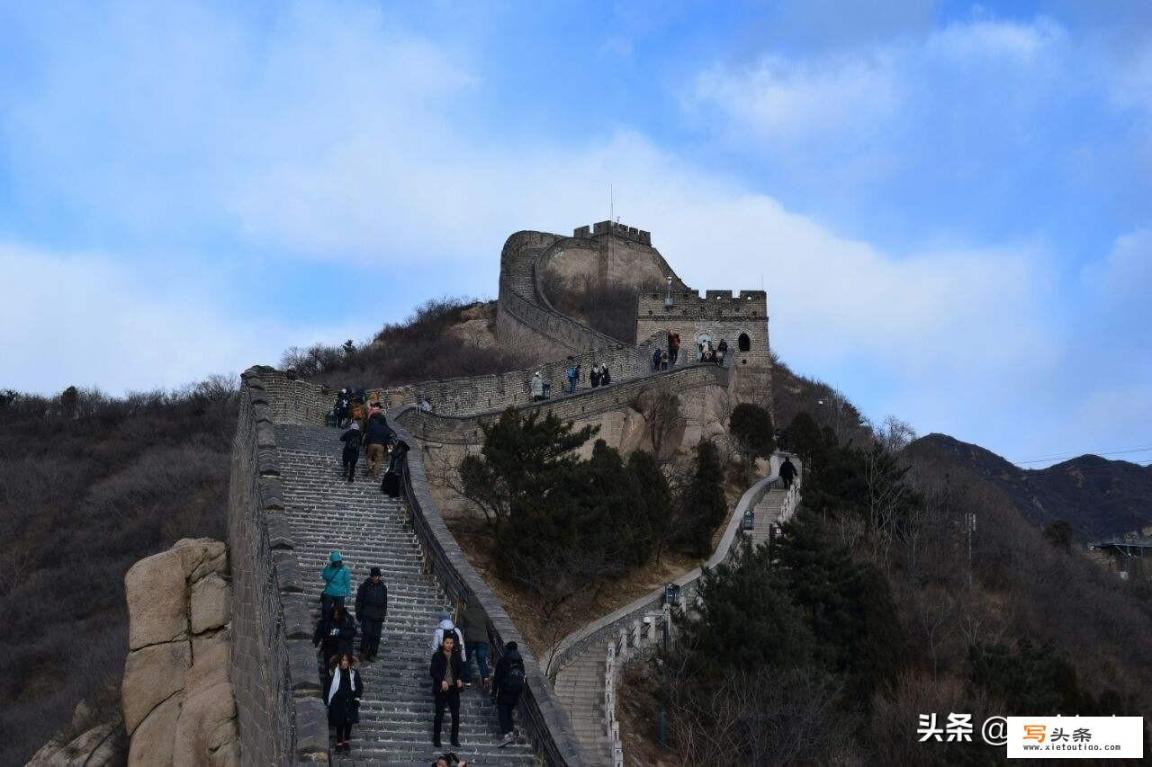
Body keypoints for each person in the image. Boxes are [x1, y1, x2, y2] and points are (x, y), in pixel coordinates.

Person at [430, 632, 464, 748]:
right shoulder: (437, 656)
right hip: (441, 689)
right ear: (443, 643)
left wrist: (459, 679)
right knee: (439, 714)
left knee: (456, 715)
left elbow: (461, 670)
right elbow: (433, 671)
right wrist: (441, 681)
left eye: (451, 643)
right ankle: (436, 739)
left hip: (454, 689)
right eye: (447, 643)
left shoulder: (456, 655)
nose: (449, 645)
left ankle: (454, 739)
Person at [326, 653, 363, 755]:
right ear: (340, 661)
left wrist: (357, 698)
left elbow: (359, 687)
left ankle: (346, 740)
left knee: (349, 722)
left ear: (349, 662)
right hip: (338, 700)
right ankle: (339, 742)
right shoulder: (334, 672)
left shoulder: (354, 673)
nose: (345, 662)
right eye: (343, 660)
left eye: (346, 660)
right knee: (339, 722)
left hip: (351, 700)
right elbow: (329, 686)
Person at [492, 641, 526, 747]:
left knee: (502, 712)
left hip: (504, 691)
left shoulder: (503, 661)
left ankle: (506, 734)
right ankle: (511, 732)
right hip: (515, 693)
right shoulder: (520, 662)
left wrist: (494, 692)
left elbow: (497, 678)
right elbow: (522, 678)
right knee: (509, 712)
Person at [355, 567, 388, 662]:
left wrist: (383, 614)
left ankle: (373, 653)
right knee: (367, 633)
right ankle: (363, 652)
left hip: (378, 615)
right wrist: (358, 612)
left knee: (376, 635)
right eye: (374, 576)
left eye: (377, 576)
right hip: (367, 613)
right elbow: (359, 600)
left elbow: (385, 602)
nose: (375, 578)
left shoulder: (383, 588)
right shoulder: (364, 586)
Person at [456, 600, 489, 688]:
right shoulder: (484, 613)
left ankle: (467, 679)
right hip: (482, 640)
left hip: (469, 639)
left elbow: (460, 626)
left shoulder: (465, 613)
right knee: (481, 659)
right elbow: (489, 628)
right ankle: (485, 677)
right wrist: (491, 640)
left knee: (466, 658)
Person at [321, 551, 352, 619]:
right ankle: (325, 625)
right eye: (335, 562)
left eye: (337, 561)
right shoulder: (328, 568)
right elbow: (324, 576)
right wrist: (327, 569)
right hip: (329, 593)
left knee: (338, 614)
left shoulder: (345, 570)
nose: (336, 563)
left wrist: (348, 594)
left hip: (340, 594)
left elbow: (347, 582)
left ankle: (336, 627)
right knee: (325, 611)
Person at [363, 412, 393, 478]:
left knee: (369, 457)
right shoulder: (386, 429)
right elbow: (389, 439)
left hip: (372, 444)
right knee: (379, 460)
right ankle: (375, 473)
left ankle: (370, 466)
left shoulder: (373, 427)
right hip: (381, 446)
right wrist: (389, 447)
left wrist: (365, 444)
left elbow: (368, 436)